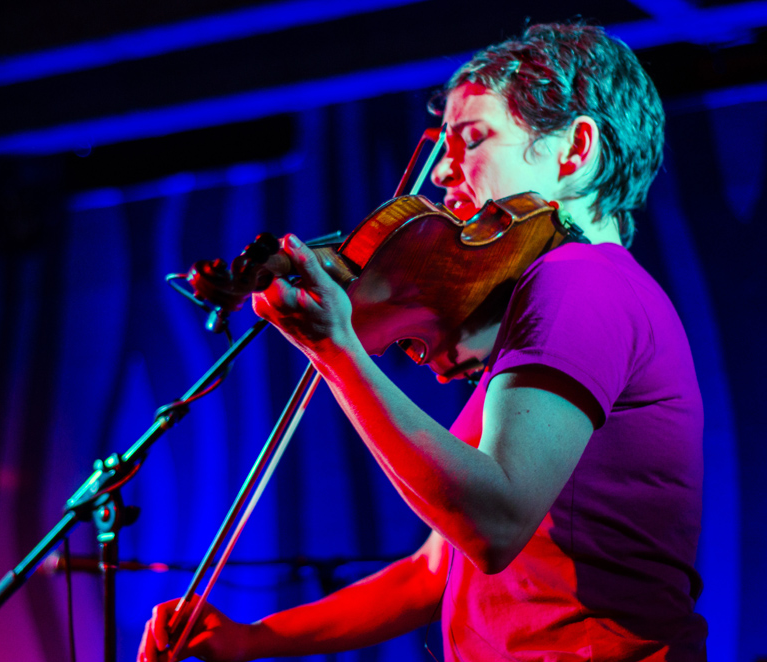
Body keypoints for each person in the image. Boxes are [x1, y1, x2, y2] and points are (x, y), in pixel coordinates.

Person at [138, 21, 707, 662]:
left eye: (473, 140)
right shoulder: (561, 303)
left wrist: (337, 351)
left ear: (574, 149)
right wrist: (254, 639)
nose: (443, 175)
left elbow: (493, 524)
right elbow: (436, 571)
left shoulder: (578, 278)